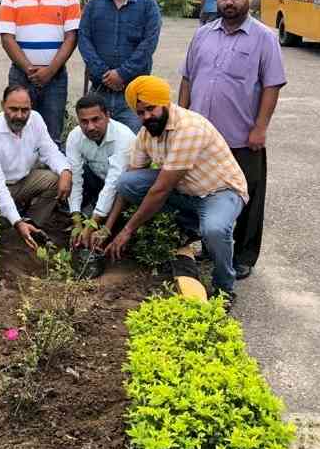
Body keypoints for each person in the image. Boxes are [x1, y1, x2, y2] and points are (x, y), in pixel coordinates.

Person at [96, 76, 248, 308]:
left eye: (150, 109)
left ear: (165, 103)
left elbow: (160, 190)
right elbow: (129, 181)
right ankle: (191, 227)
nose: (146, 116)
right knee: (128, 182)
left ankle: (224, 287)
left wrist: (127, 231)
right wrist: (108, 226)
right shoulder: (148, 134)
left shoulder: (188, 128)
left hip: (220, 192)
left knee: (215, 229)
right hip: (187, 192)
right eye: (140, 112)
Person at [179, 0, 286, 280]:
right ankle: (207, 244)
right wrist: (181, 117)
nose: (228, 2)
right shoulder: (202, 34)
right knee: (197, 190)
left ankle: (243, 255)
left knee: (248, 196)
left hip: (242, 137)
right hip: (200, 137)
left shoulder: (265, 38)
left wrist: (260, 128)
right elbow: (187, 77)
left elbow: (272, 86)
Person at [0, 0, 80, 145]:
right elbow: (7, 38)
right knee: (17, 132)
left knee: (52, 135)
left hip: (56, 77)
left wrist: (50, 71)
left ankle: (51, 178)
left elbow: (71, 37)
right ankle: (19, 176)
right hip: (21, 75)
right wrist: (30, 70)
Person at [0, 84, 72, 250]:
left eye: (25, 110)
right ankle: (15, 226)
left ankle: (32, 227)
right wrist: (16, 221)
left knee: (56, 180)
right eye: (13, 109)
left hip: (22, 182)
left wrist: (66, 171)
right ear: (2, 106)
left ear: (31, 107)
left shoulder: (36, 120)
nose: (19, 115)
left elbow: (51, 151)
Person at [78, 0, 162, 133]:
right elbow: (84, 41)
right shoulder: (93, 6)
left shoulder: (148, 6)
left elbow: (148, 44)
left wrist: (122, 74)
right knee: (96, 146)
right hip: (100, 92)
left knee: (132, 150)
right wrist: (105, 75)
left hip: (135, 97)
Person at [67, 92, 136, 247]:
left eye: (96, 119)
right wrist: (76, 220)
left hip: (123, 189)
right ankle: (85, 212)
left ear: (107, 116)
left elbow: (113, 184)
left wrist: (92, 225)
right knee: (67, 175)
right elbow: (76, 180)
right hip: (97, 180)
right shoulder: (74, 137)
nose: (90, 127)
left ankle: (110, 222)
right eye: (84, 121)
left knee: (122, 186)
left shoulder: (124, 137)